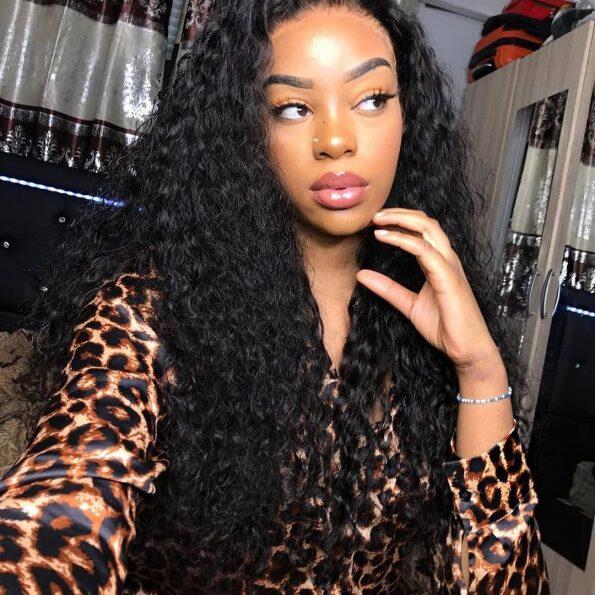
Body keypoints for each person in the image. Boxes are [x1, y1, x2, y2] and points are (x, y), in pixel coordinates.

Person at [0, 1, 550, 593]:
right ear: (244, 131)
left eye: (371, 99)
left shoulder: (428, 317)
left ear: (407, 115)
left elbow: (498, 578)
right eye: (292, 107)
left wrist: (479, 366)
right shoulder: (148, 313)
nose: (335, 140)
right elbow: (68, 494)